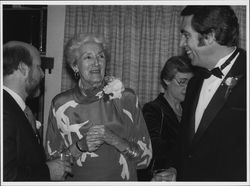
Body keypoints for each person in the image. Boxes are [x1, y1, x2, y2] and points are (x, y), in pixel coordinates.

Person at [45, 33, 152, 181]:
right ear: (75, 65)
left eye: (101, 56)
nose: (96, 62)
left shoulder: (126, 98)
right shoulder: (61, 104)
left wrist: (114, 139)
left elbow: (145, 159)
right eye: (88, 57)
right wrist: (80, 146)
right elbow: (52, 166)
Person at [178, 6, 246, 181]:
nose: (181, 43)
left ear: (210, 36)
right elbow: (188, 147)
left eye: (186, 35)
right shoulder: (193, 83)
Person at [3, 41, 72, 181]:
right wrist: (47, 172)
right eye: (38, 67)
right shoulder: (4, 112)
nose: (42, 74)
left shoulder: (16, 108)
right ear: (23, 68)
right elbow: (6, 177)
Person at [137, 56, 193, 181]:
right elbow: (154, 146)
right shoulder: (152, 109)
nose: (187, 87)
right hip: (159, 177)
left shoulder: (190, 111)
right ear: (167, 80)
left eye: (191, 82)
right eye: (182, 82)